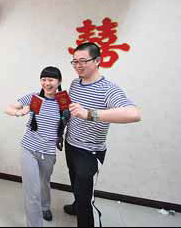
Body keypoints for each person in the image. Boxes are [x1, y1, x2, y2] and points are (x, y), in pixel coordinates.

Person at [63, 42, 142, 227]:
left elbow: (134, 113)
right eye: (74, 62)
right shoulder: (75, 83)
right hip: (71, 144)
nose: (78, 66)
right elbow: (74, 110)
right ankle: (77, 206)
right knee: (76, 184)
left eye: (83, 61)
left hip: (90, 152)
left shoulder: (108, 88)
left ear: (98, 60)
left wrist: (90, 113)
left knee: (86, 199)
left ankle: (85, 215)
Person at [5, 66, 68, 227]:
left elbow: (72, 119)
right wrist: (20, 112)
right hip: (28, 149)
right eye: (43, 79)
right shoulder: (34, 98)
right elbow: (8, 108)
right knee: (32, 191)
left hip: (48, 152)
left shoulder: (63, 101)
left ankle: (45, 206)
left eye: (51, 80)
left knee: (44, 182)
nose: (47, 83)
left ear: (59, 82)